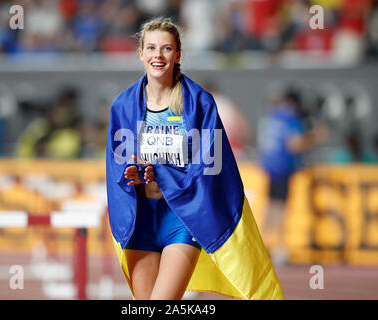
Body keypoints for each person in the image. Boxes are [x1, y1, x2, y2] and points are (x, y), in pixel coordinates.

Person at [106, 17, 284, 300]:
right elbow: (117, 165)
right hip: (140, 219)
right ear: (140, 54)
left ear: (178, 55)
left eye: (166, 48)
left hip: (182, 219)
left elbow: (211, 167)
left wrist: (161, 173)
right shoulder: (123, 105)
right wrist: (133, 173)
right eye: (151, 48)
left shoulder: (200, 103)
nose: (158, 55)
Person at [258, 87, 328, 265]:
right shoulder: (291, 117)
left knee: (272, 206)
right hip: (283, 165)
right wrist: (314, 137)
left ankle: (263, 244)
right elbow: (295, 145)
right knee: (280, 208)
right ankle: (279, 247)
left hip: (270, 163)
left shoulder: (273, 115)